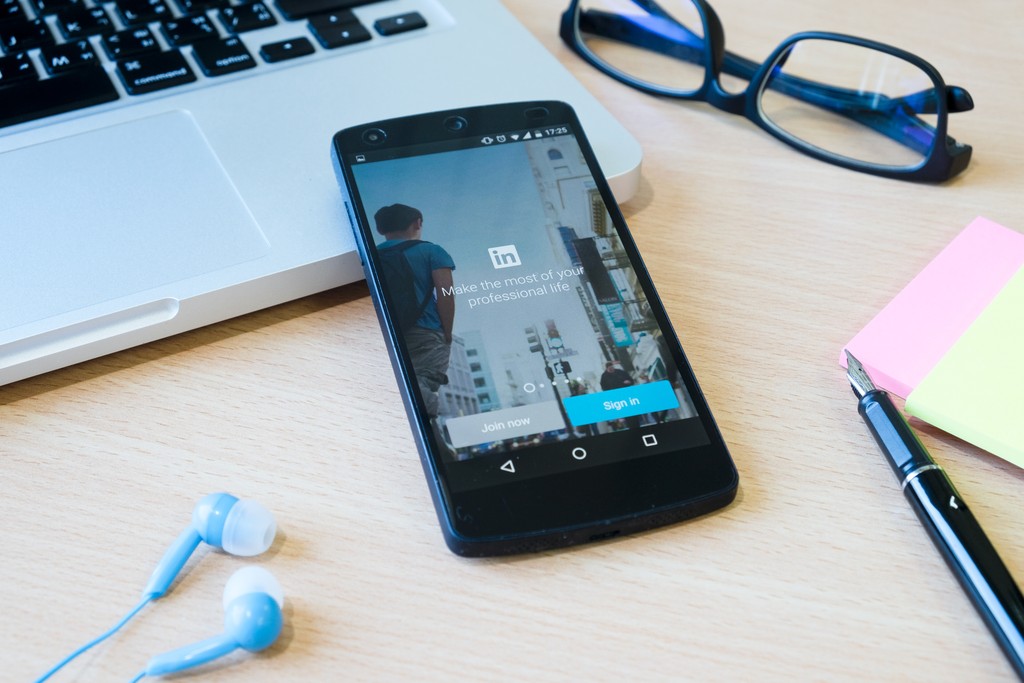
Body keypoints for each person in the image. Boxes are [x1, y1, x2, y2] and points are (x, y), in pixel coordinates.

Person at [375, 204, 456, 420]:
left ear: (380, 229)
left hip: (389, 332)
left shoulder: (371, 256)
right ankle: (433, 440)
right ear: (418, 223)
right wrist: (447, 333)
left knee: (403, 384)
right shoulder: (431, 251)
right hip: (427, 333)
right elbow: (446, 293)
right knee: (423, 387)